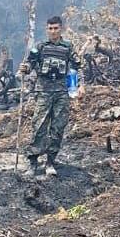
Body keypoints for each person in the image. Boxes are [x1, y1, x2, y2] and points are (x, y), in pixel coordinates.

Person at [19, 15, 81, 177]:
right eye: (50, 28)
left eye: (56, 28)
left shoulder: (68, 47)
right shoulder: (40, 47)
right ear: (47, 29)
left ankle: (50, 162)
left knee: (58, 127)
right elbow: (30, 64)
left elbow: (76, 66)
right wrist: (25, 68)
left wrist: (74, 86)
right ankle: (33, 163)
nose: (53, 31)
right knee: (39, 126)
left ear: (61, 29)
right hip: (43, 91)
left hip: (61, 92)